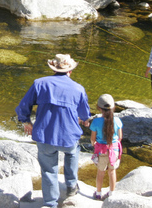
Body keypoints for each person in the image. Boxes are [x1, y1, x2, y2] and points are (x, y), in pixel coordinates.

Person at [16, 54, 91, 208]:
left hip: (45, 136)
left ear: (53, 69)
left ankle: (50, 203)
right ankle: (71, 187)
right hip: (68, 136)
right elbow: (84, 116)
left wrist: (26, 122)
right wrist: (83, 119)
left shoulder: (39, 83)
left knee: (49, 169)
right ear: (70, 71)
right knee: (72, 153)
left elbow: (23, 107)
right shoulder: (78, 89)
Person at [89, 94, 123, 200]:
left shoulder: (96, 122)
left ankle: (98, 193)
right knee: (112, 171)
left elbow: (92, 139)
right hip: (114, 150)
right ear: (113, 107)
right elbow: (120, 138)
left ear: (99, 108)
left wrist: (94, 144)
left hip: (101, 151)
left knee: (100, 172)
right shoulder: (117, 121)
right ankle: (111, 194)